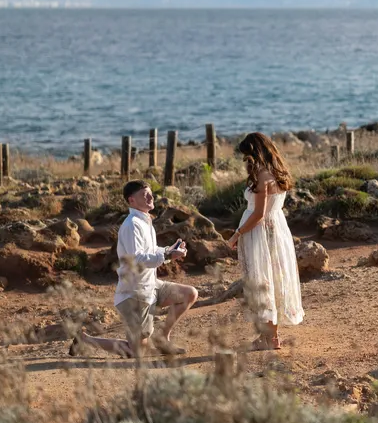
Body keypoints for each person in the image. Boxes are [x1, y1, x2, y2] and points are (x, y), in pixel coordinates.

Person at [72, 180, 198, 358]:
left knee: (189, 294)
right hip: (135, 294)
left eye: (150, 193)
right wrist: (169, 256)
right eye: (144, 194)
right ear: (131, 200)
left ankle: (162, 338)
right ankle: (85, 339)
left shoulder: (145, 221)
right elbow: (137, 259)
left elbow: (151, 251)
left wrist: (170, 250)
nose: (150, 197)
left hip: (151, 286)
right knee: (137, 351)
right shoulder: (132, 225)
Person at [226, 132, 304, 350]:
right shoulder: (278, 172)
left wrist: (237, 234)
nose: (245, 161)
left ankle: (267, 339)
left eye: (247, 156)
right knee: (273, 278)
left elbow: (258, 213)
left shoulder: (262, 176)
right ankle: (272, 337)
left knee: (262, 280)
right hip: (276, 228)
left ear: (255, 152)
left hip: (260, 232)